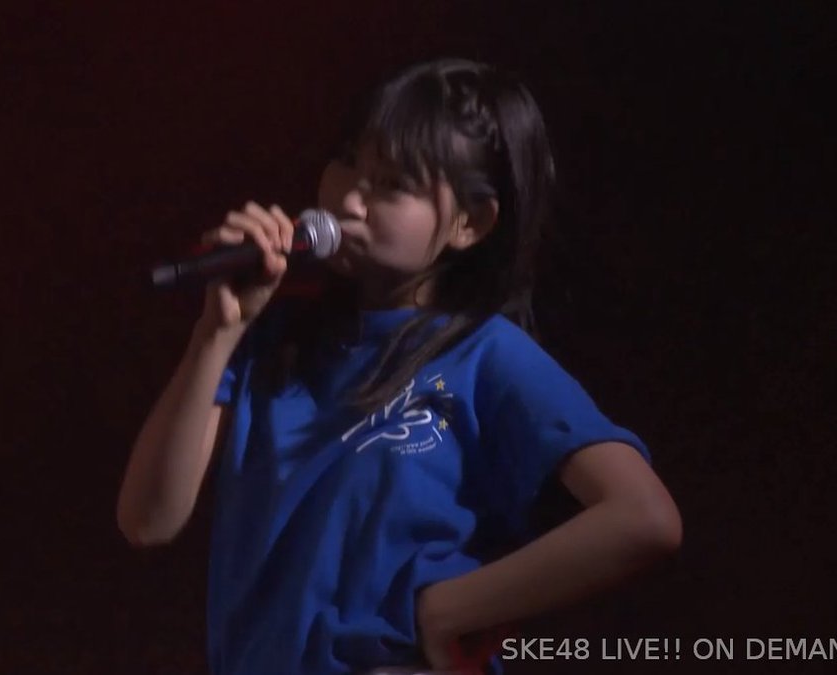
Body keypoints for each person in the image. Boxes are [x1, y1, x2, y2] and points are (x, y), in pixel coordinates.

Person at [116, 57, 682, 675]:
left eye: (391, 184)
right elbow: (147, 520)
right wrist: (216, 333)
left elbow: (643, 517)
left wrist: (451, 610)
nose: (348, 199)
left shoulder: (486, 354)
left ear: (470, 223)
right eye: (347, 161)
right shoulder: (270, 340)